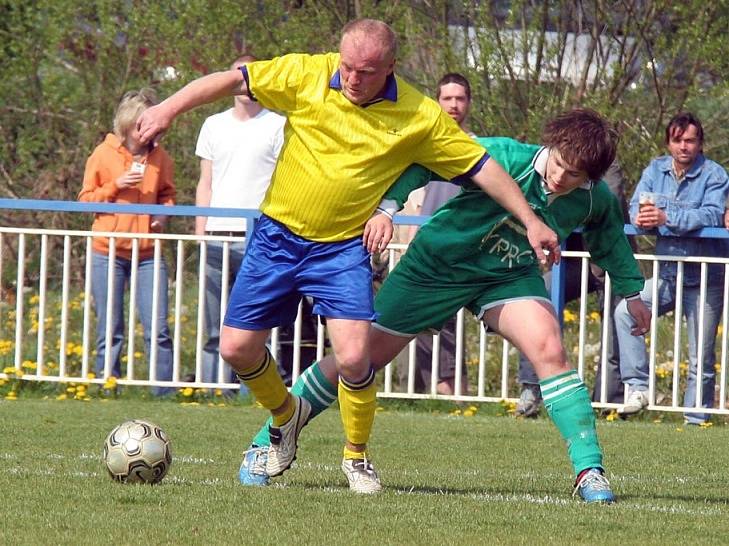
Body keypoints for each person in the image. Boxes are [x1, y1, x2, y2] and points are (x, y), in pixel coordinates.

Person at [136, 18, 560, 493]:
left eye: (367, 70)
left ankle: (356, 458)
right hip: (278, 237)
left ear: (391, 68)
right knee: (236, 348)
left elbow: (483, 167)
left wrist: (530, 219)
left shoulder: (419, 115)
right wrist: (168, 109)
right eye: (348, 67)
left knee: (356, 357)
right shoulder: (307, 74)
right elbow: (235, 78)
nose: (353, 78)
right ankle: (286, 417)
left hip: (340, 249)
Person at [238, 108, 652, 503]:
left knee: (550, 349)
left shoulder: (593, 197)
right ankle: (268, 440)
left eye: (575, 174)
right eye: (559, 163)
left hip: (505, 275)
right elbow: (425, 163)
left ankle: (589, 471)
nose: (562, 176)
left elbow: (610, 239)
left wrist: (633, 294)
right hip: (435, 267)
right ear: (552, 144)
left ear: (591, 177)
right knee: (356, 358)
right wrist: (387, 208)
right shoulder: (505, 155)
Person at [614, 112, 729, 423]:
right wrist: (641, 218)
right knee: (625, 311)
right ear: (668, 142)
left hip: (705, 278)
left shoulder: (715, 175)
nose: (683, 147)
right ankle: (638, 388)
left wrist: (667, 219)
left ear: (700, 143)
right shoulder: (655, 168)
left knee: (700, 356)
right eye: (677, 140)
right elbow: (638, 204)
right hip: (667, 274)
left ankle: (696, 420)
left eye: (690, 140)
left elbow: (711, 215)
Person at [194, 54, 285, 390]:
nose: (245, 84)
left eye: (251, 77)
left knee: (255, 323)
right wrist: (200, 231)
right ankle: (207, 389)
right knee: (212, 321)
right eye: (238, 76)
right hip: (216, 236)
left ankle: (257, 391)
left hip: (259, 238)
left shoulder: (278, 124)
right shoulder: (213, 125)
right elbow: (206, 181)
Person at [515, 161, 633, 416]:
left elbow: (603, 206)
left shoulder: (608, 168)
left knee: (615, 324)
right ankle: (531, 388)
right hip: (573, 259)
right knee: (537, 297)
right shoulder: (553, 164)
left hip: (609, 260)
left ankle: (608, 402)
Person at [78, 89, 175, 396]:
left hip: (148, 252)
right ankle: (107, 387)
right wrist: (115, 186)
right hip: (107, 250)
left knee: (157, 328)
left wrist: (163, 215)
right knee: (110, 326)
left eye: (150, 124)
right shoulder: (102, 154)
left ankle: (165, 392)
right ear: (127, 123)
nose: (145, 131)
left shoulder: (161, 158)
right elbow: (85, 201)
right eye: (139, 124)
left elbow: (168, 194)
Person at [409, 73, 475, 396]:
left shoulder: (477, 148)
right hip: (423, 244)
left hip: (463, 245)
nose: (453, 105)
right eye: (447, 98)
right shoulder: (423, 144)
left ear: (469, 103)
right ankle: (441, 390)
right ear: (437, 102)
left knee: (447, 323)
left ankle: (449, 390)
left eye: (459, 98)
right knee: (427, 320)